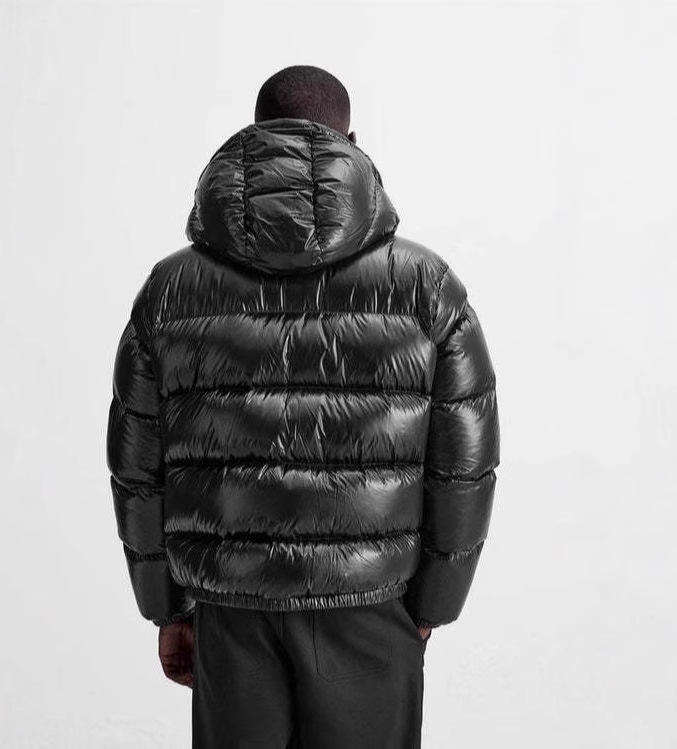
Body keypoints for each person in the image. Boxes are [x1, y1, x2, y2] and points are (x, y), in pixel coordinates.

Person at [107, 65, 499, 748]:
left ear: (256, 143)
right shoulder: (426, 286)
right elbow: (464, 459)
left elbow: (137, 463)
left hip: (229, 606)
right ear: (350, 143)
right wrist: (432, 605)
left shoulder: (170, 289)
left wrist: (165, 606)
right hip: (372, 603)